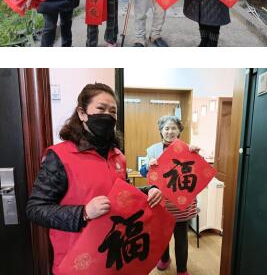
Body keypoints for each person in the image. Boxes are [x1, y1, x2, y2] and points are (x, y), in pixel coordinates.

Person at [26, 83, 163, 275]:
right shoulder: (59, 156)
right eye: (101, 109)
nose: (108, 115)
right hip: (76, 261)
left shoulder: (118, 156)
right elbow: (35, 209)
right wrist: (83, 213)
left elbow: (120, 196)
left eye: (113, 111)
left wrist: (149, 191)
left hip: (112, 256)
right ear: (82, 114)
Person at [139, 115, 201, 275]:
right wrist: (148, 166)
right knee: (162, 235)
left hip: (181, 203)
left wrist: (197, 155)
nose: (170, 131)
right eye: (166, 128)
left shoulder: (188, 149)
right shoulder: (152, 150)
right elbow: (143, 172)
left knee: (181, 238)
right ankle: (165, 258)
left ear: (179, 130)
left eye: (174, 128)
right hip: (161, 201)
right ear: (161, 130)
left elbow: (198, 171)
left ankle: (182, 269)